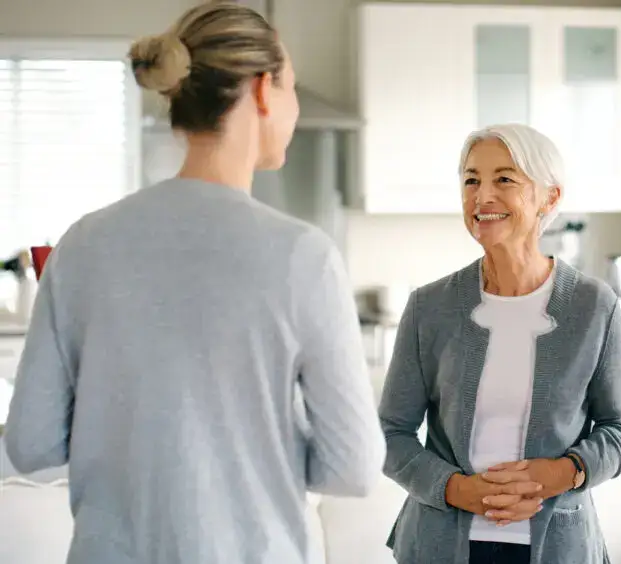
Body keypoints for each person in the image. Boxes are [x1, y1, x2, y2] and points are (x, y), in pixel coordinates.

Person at [4, 3, 385, 562]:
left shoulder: (83, 245)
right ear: (261, 90)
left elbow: (30, 445)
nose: (296, 106)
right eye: (292, 88)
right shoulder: (303, 257)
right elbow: (352, 469)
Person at [378, 123, 621, 564]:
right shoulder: (429, 307)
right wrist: (458, 490)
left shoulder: (595, 307)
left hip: (558, 549)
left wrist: (562, 473)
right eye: (471, 180)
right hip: (441, 546)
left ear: (550, 197)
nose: (482, 196)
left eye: (504, 179)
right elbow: (390, 434)